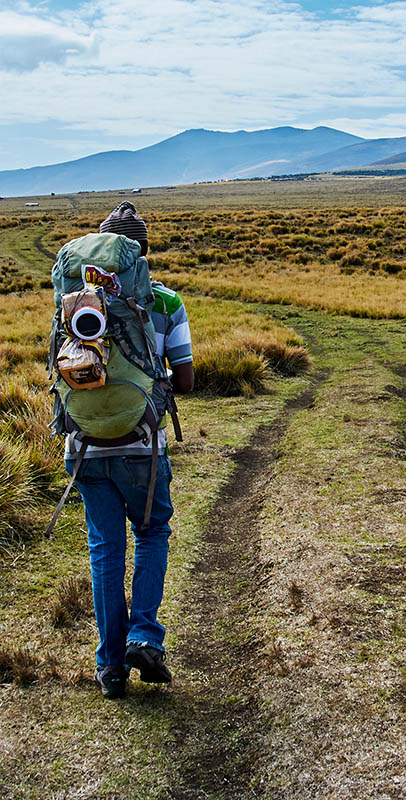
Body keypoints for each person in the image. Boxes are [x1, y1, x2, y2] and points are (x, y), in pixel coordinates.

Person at [66, 202, 194, 699]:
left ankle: (111, 668)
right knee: (152, 533)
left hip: (84, 447)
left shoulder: (72, 304)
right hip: (141, 446)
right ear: (142, 252)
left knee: (105, 552)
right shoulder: (165, 301)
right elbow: (183, 378)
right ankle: (144, 636)